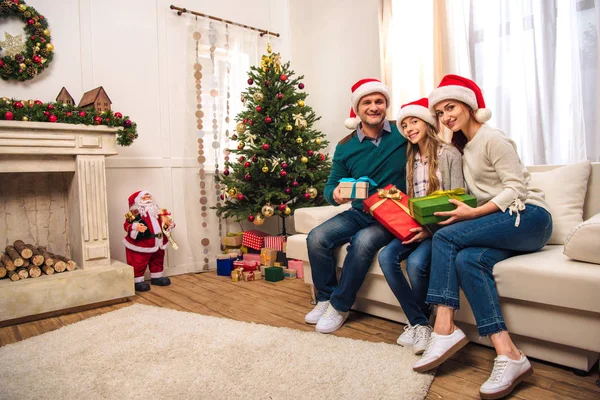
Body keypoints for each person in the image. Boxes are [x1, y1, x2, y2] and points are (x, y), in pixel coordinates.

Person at [412, 75, 552, 400]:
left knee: (446, 239)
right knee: (466, 259)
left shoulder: (492, 138)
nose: (447, 116)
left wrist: (472, 214)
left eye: (452, 107)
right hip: (505, 222)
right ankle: (509, 355)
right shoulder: (464, 148)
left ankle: (443, 327)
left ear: (469, 106)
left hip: (530, 217)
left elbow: (516, 187)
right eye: (441, 112)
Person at [305, 78, 408, 334]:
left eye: (379, 102)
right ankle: (325, 299)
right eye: (367, 102)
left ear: (386, 105)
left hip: (391, 215)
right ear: (357, 109)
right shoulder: (345, 147)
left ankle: (340, 306)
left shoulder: (403, 134)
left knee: (362, 242)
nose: (374, 107)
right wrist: (336, 194)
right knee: (316, 237)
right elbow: (330, 187)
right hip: (359, 212)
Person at [377, 98, 464, 355]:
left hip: (440, 230)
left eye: (414, 121)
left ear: (427, 122)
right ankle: (419, 322)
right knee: (386, 256)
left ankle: (420, 324)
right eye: (404, 125)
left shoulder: (449, 154)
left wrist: (429, 230)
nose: (409, 128)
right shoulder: (411, 158)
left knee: (415, 264)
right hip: (415, 226)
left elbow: (458, 198)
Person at [123, 190, 174, 292]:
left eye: (148, 196)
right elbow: (126, 225)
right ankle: (137, 280)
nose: (147, 198)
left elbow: (168, 223)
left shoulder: (158, 212)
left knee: (158, 259)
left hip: (158, 242)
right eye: (144, 197)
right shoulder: (134, 214)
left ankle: (157, 277)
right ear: (138, 201)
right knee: (139, 262)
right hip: (142, 243)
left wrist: (169, 224)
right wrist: (135, 226)